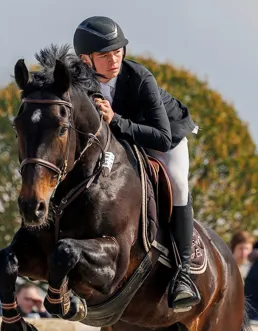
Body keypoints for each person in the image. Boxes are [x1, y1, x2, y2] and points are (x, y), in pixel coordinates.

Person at [73, 15, 201, 312]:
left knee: (179, 184)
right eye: (105, 55)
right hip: (120, 141)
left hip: (163, 135)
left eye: (118, 51)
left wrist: (114, 120)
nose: (114, 60)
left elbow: (161, 137)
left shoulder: (140, 78)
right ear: (85, 59)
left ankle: (183, 274)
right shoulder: (78, 81)